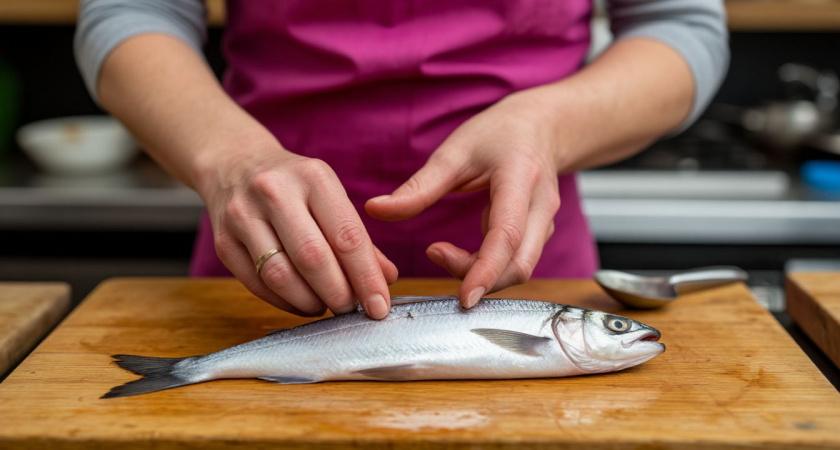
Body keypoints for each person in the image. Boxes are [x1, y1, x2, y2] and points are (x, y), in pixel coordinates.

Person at [75, 0, 728, 319]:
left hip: (531, 277)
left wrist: (547, 125)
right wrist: (227, 157)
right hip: (264, 262)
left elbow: (680, 26)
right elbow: (131, 11)